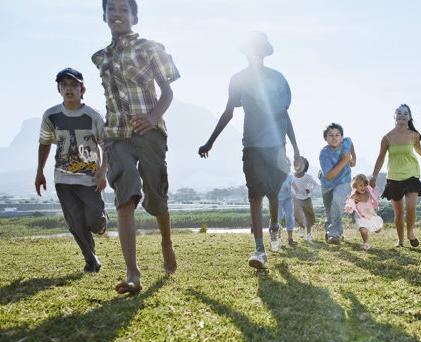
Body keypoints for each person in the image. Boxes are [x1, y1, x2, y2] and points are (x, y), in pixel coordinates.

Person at [93, 0, 180, 293]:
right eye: (111, 9)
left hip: (149, 132)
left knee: (156, 198)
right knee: (125, 195)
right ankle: (133, 273)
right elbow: (110, 103)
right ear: (104, 16)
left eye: (123, 9)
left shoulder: (150, 48)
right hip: (116, 134)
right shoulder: (100, 58)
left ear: (135, 17)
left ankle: (166, 242)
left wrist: (153, 117)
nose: (117, 14)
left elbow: (168, 92)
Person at [198, 31, 301, 269]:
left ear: (264, 52)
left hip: (276, 146)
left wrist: (296, 150)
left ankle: (274, 227)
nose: (254, 53)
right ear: (245, 52)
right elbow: (228, 112)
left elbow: (285, 114)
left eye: (258, 49)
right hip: (252, 146)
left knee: (274, 194)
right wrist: (210, 141)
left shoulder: (278, 79)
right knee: (255, 196)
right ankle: (259, 250)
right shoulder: (238, 80)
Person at [35, 68, 107, 273]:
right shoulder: (51, 115)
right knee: (75, 223)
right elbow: (45, 142)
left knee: (93, 220)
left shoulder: (93, 116)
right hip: (63, 179)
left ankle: (100, 221)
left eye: (74, 85)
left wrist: (102, 171)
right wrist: (39, 171)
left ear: (82, 89)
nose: (69, 89)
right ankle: (91, 262)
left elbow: (106, 145)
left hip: (90, 180)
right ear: (59, 89)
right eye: (64, 85)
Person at [371, 104, 421, 248]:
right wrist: (374, 176)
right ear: (394, 116)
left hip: (411, 175)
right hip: (394, 177)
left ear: (409, 117)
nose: (402, 115)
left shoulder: (413, 135)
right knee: (399, 212)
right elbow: (381, 157)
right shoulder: (387, 137)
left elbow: (419, 148)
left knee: (411, 208)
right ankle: (400, 240)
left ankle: (410, 233)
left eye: (405, 113)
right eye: (399, 113)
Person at [319, 123, 356, 244]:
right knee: (330, 209)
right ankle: (332, 231)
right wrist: (345, 160)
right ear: (325, 138)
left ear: (341, 137)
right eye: (330, 135)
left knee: (337, 201)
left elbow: (350, 142)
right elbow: (329, 176)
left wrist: (353, 158)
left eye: (337, 135)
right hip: (327, 184)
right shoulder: (324, 154)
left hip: (344, 181)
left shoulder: (345, 142)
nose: (334, 138)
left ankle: (334, 234)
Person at [345, 174, 383, 250]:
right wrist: (348, 207)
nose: (363, 187)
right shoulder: (354, 196)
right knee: (363, 230)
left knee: (377, 229)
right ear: (355, 186)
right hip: (361, 217)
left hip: (370, 215)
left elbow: (374, 194)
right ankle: (366, 243)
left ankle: (377, 228)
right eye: (360, 185)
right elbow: (350, 203)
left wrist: (373, 185)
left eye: (365, 185)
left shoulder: (368, 192)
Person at [292, 156, 319, 241]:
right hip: (296, 199)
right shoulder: (291, 176)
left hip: (307, 199)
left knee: (309, 216)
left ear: (305, 167)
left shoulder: (307, 177)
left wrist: (309, 190)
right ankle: (301, 226)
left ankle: (309, 234)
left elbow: (315, 185)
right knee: (297, 217)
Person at [277, 160, 298, 247]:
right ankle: (277, 238)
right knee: (278, 218)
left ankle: (290, 239)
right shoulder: (275, 176)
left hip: (288, 199)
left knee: (289, 216)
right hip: (277, 199)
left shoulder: (290, 177)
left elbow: (296, 188)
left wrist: (299, 194)